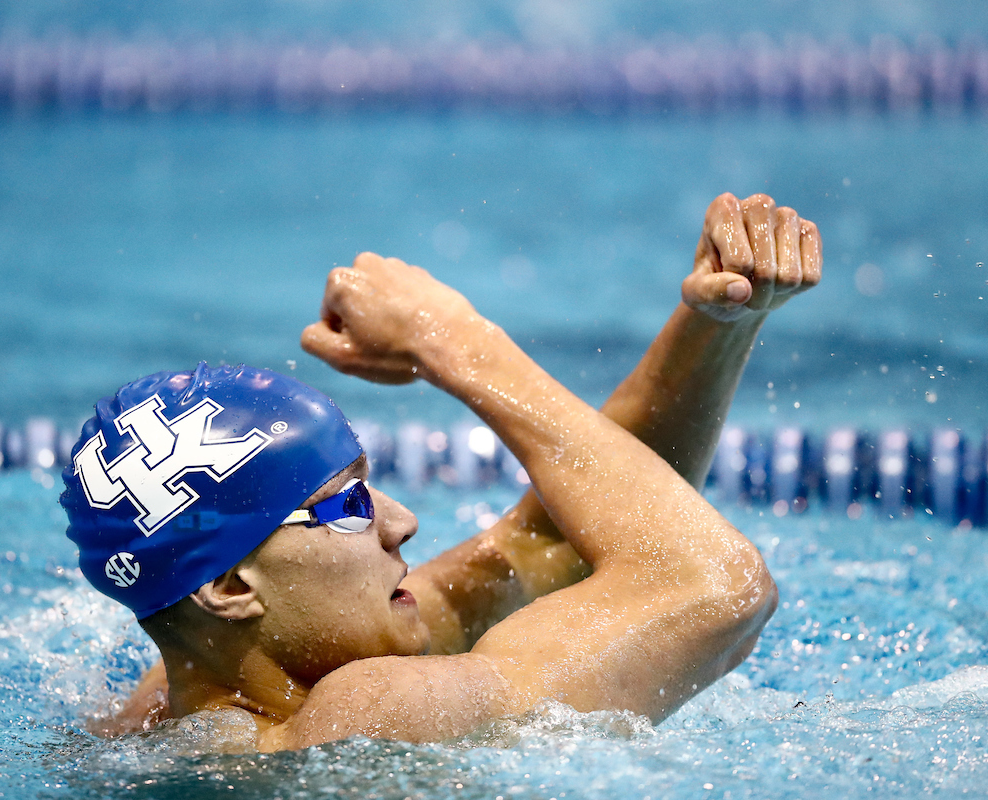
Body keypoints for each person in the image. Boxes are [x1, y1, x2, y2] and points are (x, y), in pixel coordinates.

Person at [62, 192, 821, 750]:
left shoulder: (164, 706)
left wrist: (718, 327)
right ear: (228, 587)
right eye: (346, 505)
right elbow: (715, 588)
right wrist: (452, 341)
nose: (402, 522)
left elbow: (540, 549)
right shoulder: (367, 715)